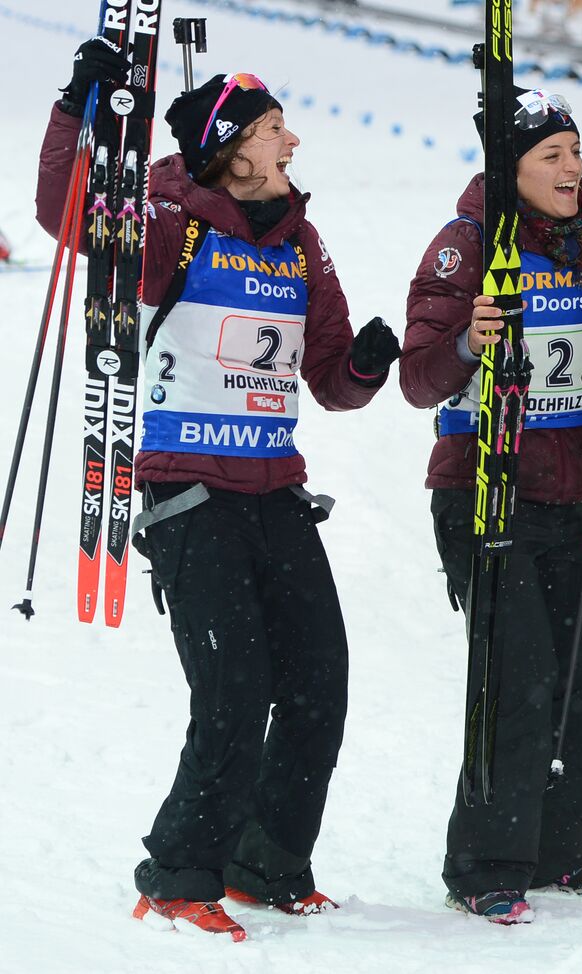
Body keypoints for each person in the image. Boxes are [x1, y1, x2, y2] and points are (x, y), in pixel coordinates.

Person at [36, 43, 401, 941]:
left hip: (276, 489)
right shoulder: (172, 222)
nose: (294, 142)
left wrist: (361, 367)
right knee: (235, 688)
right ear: (234, 147)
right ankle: (177, 872)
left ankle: (268, 862)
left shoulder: (300, 241)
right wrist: (74, 111)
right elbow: (67, 214)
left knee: (320, 679)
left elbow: (328, 375)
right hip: (188, 490)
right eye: (278, 130)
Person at [399, 87, 582, 925]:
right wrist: (470, 341)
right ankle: (484, 861)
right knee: (520, 681)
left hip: (573, 486)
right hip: (484, 486)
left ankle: (555, 847)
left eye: (576, 152)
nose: (573, 168)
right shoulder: (466, 244)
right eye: (552, 156)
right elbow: (417, 378)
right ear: (511, 170)